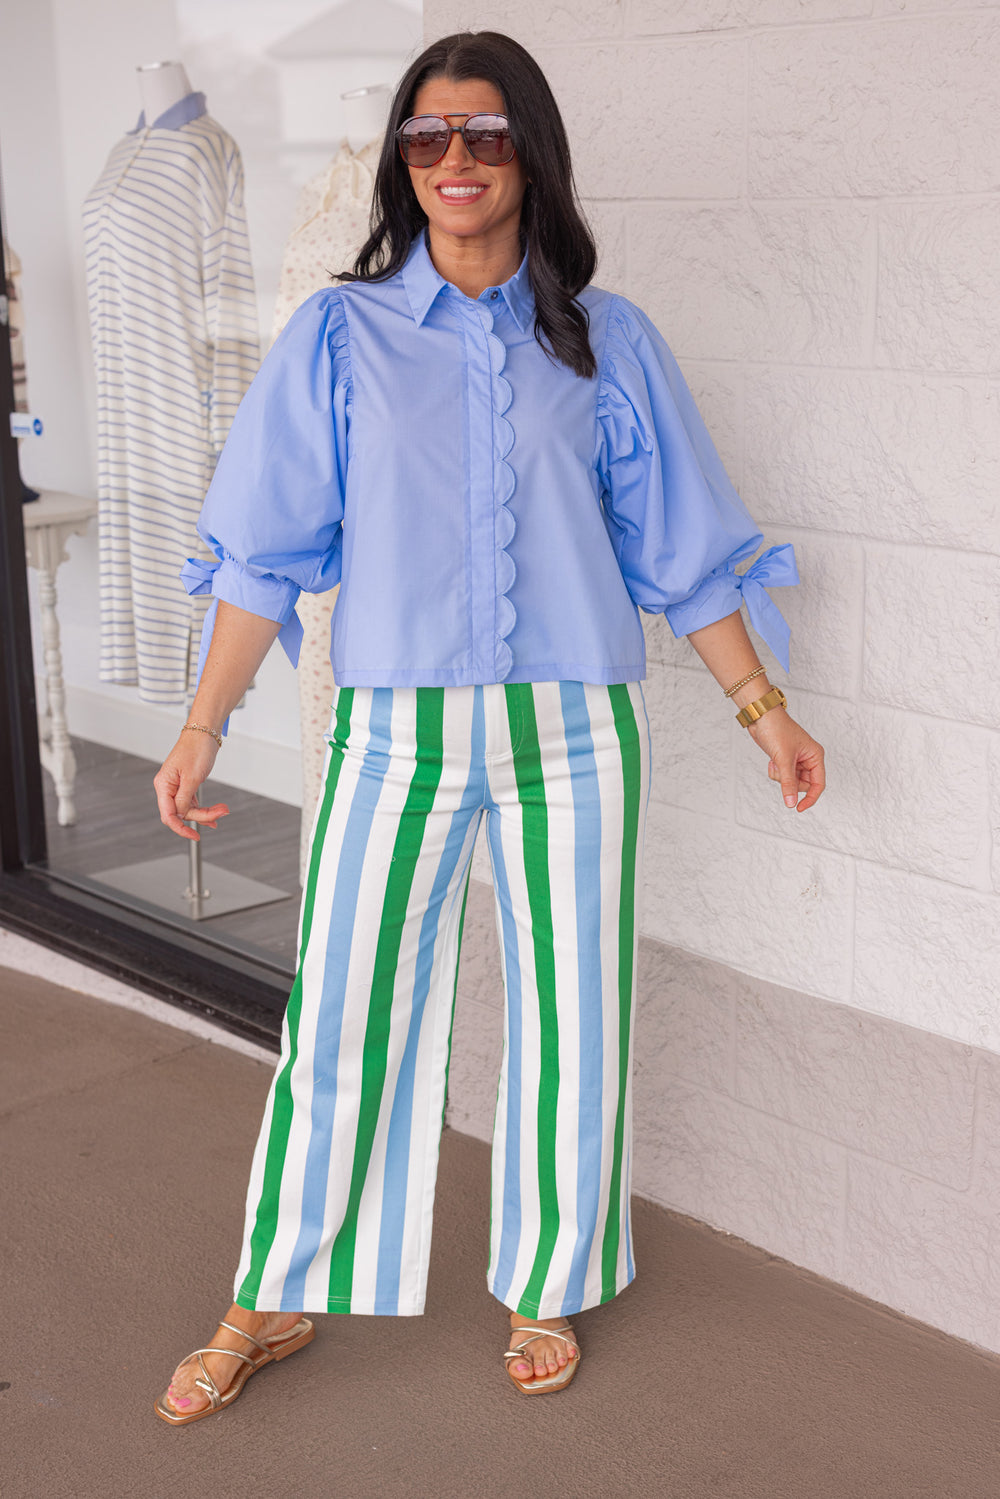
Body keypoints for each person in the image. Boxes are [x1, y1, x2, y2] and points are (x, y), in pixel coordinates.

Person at [152, 30, 825, 1424]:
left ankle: (546, 1281)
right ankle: (273, 1290)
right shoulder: (340, 336)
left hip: (576, 730)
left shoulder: (606, 337)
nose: (454, 159)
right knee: (343, 1008)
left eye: (485, 134)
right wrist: (203, 725)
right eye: (427, 136)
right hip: (391, 729)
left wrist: (764, 709)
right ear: (403, 161)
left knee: (574, 1015)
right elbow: (264, 549)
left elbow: (681, 549)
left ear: (532, 155)